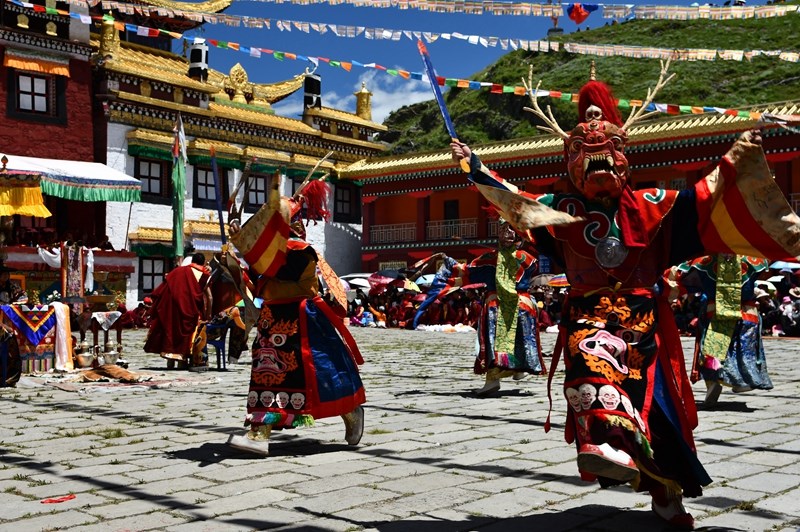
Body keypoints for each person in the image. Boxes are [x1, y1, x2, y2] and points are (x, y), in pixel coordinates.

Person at [449, 62, 800, 529]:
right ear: (570, 160)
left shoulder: (654, 205)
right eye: (583, 148)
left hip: (643, 323)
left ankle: (665, 493)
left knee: (657, 413)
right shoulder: (556, 209)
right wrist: (473, 165)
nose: (598, 156)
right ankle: (608, 447)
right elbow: (510, 199)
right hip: (587, 317)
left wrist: (737, 160)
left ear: (623, 155)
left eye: (608, 147)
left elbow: (705, 200)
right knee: (590, 371)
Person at [226, 176, 365, 456]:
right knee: (267, 373)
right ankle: (259, 432)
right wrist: (240, 253)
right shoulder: (265, 253)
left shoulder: (302, 251)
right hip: (271, 319)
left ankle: (350, 411)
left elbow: (286, 280)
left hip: (303, 319)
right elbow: (258, 280)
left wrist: (252, 254)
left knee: (321, 373)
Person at [414, 219, 545, 397]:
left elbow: (466, 271)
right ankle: (519, 368)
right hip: (523, 304)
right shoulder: (529, 259)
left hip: (497, 304)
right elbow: (530, 270)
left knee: (495, 341)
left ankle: (492, 380)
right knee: (520, 339)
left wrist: (448, 261)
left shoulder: (490, 258)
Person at [672, 255, 773, 407]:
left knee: (711, 351)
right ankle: (743, 380)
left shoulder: (703, 261)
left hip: (715, 311)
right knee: (743, 349)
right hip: (746, 312)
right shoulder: (755, 260)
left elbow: (686, 281)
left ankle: (712, 382)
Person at [144, 253, 212, 369]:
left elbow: (162, 288)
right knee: (185, 332)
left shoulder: (177, 271)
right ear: (203, 263)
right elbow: (209, 297)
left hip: (171, 306)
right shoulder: (204, 275)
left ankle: (170, 361)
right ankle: (182, 361)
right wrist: (207, 314)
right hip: (189, 308)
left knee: (171, 329)